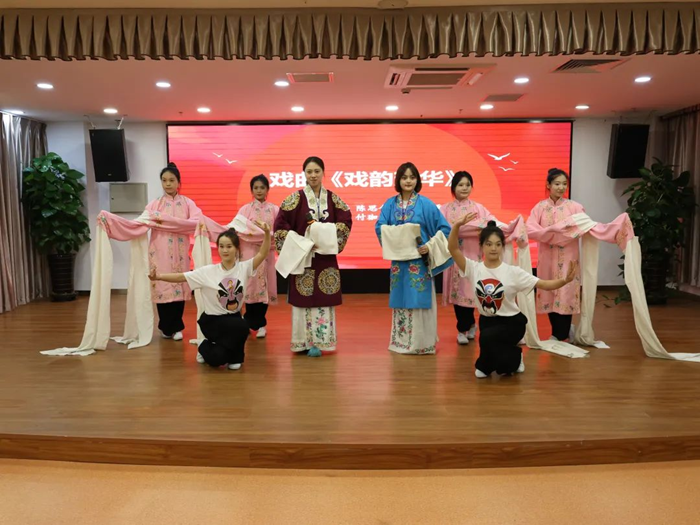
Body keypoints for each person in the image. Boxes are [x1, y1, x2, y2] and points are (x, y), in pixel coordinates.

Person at [449, 217, 577, 377]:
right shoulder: (474, 268)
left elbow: (543, 284)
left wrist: (565, 281)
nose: (493, 248)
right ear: (481, 246)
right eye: (489, 244)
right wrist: (457, 225)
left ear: (503, 247)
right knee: (483, 370)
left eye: (498, 244)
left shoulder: (513, 272)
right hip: (487, 321)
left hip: (512, 322)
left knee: (491, 345)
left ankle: (516, 357)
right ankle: (501, 358)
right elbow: (453, 249)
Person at [149, 225, 271, 370]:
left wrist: (267, 233)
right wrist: (158, 276)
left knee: (236, 332)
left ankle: (235, 357)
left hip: (233, 318)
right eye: (221, 246)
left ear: (237, 249)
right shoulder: (208, 272)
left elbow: (262, 253)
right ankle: (203, 345)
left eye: (229, 246)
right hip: (213, 320)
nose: (225, 250)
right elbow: (181, 277)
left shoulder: (244, 268)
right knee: (221, 352)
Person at [273, 156, 353, 357]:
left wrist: (325, 237)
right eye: (309, 171)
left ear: (323, 173)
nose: (313, 175)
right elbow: (280, 227)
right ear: (304, 174)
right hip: (303, 258)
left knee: (323, 300)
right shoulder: (294, 200)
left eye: (317, 171)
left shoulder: (334, 199)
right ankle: (302, 342)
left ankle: (322, 342)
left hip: (325, 259)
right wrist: (302, 243)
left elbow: (345, 221)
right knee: (303, 300)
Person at [375, 162, 452, 355]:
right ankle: (401, 342)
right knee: (401, 300)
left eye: (412, 177)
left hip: (419, 262)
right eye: (404, 177)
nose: (408, 181)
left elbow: (445, 230)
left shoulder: (426, 204)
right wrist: (397, 239)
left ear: (417, 180)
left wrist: (430, 246)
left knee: (419, 300)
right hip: (398, 264)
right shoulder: (389, 205)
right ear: (398, 180)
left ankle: (422, 344)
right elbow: (380, 227)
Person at [147, 162, 202, 341]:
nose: (168, 184)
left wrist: (168, 222)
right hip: (160, 251)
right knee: (162, 286)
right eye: (164, 180)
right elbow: (142, 222)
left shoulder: (187, 203)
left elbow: (196, 222)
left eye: (171, 180)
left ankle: (177, 327)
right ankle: (165, 327)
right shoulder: (155, 204)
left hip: (180, 253)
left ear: (178, 182)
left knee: (179, 285)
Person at [527, 168, 584, 341]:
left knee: (566, 292)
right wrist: (552, 234)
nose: (561, 187)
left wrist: (554, 235)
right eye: (557, 184)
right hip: (547, 257)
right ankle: (558, 332)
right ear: (548, 185)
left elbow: (581, 227)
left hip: (568, 257)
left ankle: (561, 334)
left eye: (564, 184)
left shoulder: (575, 207)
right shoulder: (540, 207)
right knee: (549, 291)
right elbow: (530, 228)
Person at [441, 171, 496, 345]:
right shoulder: (445, 209)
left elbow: (491, 222)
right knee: (458, 294)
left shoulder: (478, 208)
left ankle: (471, 324)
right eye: (460, 185)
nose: (464, 188)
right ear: (453, 188)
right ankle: (462, 329)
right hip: (454, 257)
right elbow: (442, 229)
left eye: (467, 185)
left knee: (471, 292)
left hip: (473, 255)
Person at [237, 174, 279, 339]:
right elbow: (237, 230)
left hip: (267, 254)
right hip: (249, 253)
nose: (259, 190)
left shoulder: (275, 210)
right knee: (250, 287)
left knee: (265, 288)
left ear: (267, 189)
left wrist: (266, 236)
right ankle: (248, 322)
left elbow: (279, 232)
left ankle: (260, 324)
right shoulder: (244, 210)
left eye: (262, 187)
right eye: (256, 188)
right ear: (251, 190)